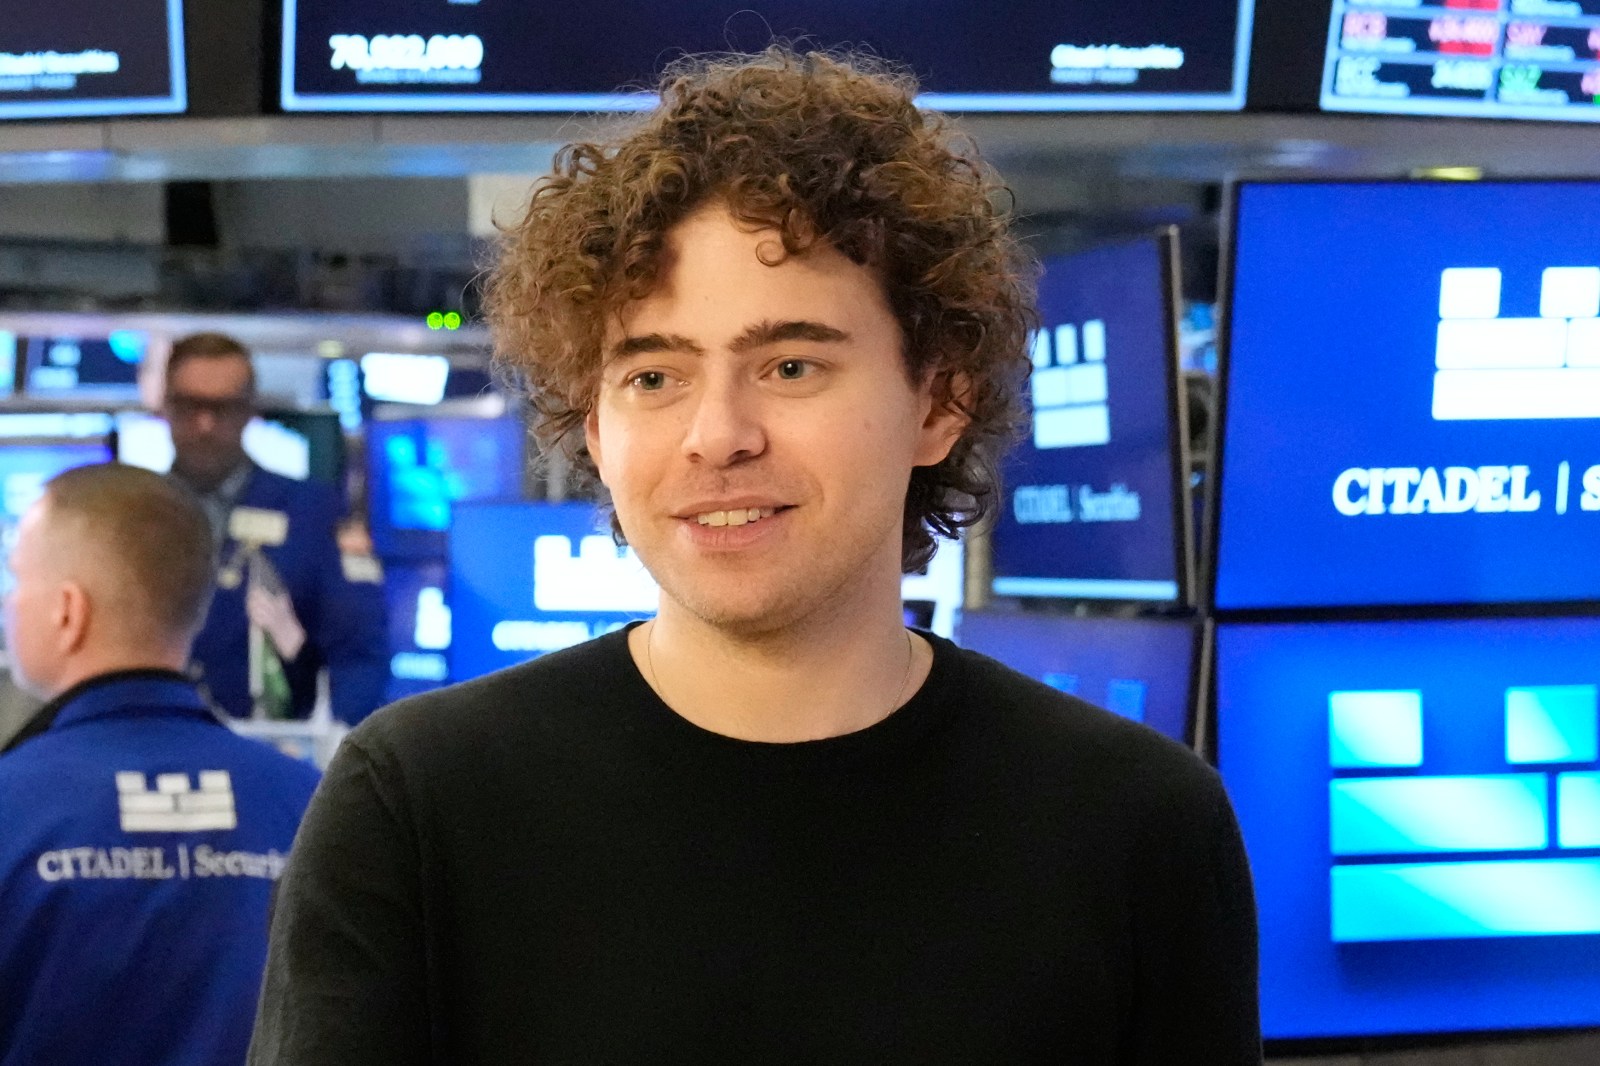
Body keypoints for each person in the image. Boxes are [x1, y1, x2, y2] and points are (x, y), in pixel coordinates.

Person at [250, 48, 1261, 1064]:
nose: (717, 435)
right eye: (654, 377)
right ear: (594, 428)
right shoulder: (418, 807)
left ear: (939, 401)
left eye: (790, 365)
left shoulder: (1136, 824)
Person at [0, 463, 322, 1066]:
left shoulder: (10, 804)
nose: (7, 602)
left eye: (16, 579)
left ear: (68, 611)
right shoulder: (312, 804)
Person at [162, 331, 388, 724]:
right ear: (165, 407)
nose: (205, 424)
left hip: (275, 743)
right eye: (190, 406)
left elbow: (360, 656)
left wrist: (336, 747)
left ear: (250, 411)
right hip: (148, 738)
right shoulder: (129, 516)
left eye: (223, 408)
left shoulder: (313, 513)